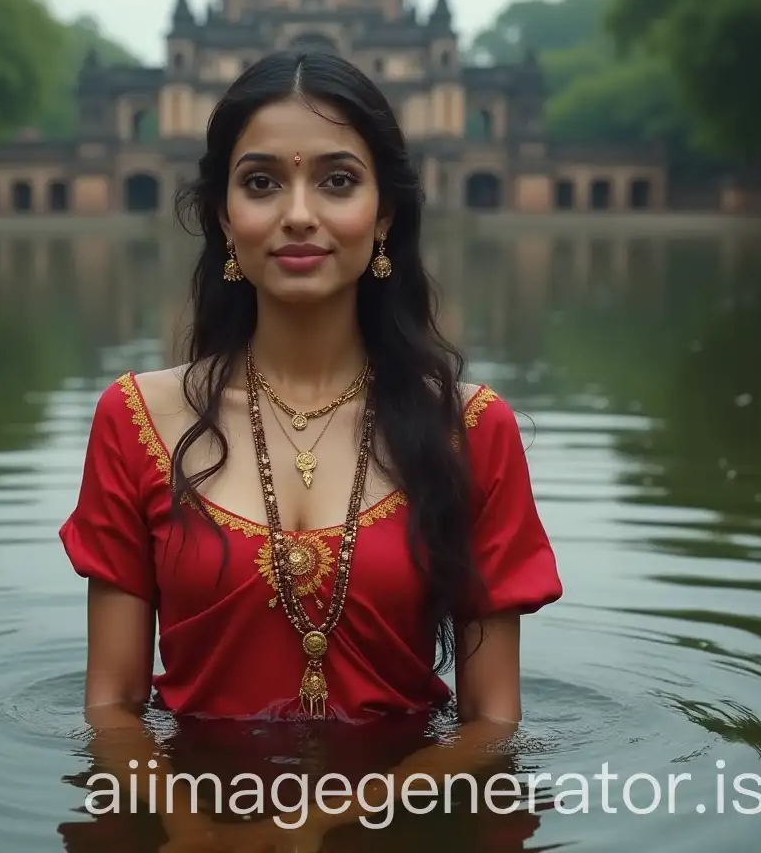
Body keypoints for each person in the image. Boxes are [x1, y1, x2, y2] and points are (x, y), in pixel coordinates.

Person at [58, 49, 563, 851]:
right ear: (224, 216)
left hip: (399, 826)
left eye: (337, 180)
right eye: (261, 183)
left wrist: (325, 824)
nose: (298, 214)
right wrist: (195, 834)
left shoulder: (469, 430)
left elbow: (492, 723)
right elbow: (113, 708)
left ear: (385, 211)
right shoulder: (138, 420)